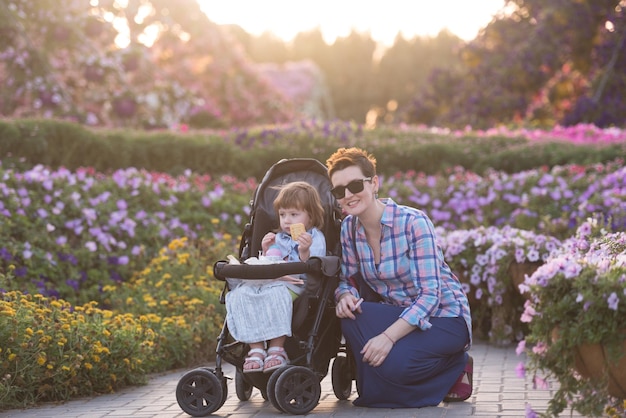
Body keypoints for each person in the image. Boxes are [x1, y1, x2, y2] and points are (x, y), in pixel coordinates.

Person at [326, 147, 473, 408]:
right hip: (398, 313)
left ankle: (455, 364)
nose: (348, 195)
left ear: (374, 183)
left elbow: (431, 296)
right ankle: (387, 380)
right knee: (348, 317)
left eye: (355, 185)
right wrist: (345, 295)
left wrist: (388, 338)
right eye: (339, 191)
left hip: (444, 317)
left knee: (394, 364)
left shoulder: (414, 223)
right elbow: (346, 279)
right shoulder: (348, 229)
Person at [225, 181, 326, 373]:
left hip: (296, 283)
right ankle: (256, 349)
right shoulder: (278, 238)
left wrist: (305, 250)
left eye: (294, 214)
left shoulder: (314, 237)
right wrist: (265, 249)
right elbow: (271, 261)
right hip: (270, 281)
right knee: (242, 292)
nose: (287, 221)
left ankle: (277, 349)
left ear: (310, 216)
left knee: (276, 294)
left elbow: (315, 266)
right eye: (282, 215)